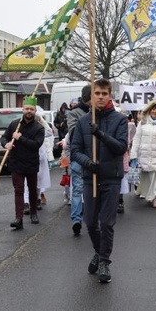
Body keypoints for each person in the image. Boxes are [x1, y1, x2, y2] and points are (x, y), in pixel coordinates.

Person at [71, 79, 128, 283]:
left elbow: (121, 147)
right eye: (97, 93)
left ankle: (104, 260)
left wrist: (101, 134)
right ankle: (98, 251)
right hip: (90, 178)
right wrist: (88, 163)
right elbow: (75, 150)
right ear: (91, 96)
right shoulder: (82, 122)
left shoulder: (120, 120)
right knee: (90, 223)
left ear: (110, 95)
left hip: (111, 178)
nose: (101, 97)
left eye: (104, 93)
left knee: (106, 223)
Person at [1, 96, 45, 229]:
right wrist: (6, 144)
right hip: (16, 163)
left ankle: (33, 213)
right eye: (27, 109)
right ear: (23, 110)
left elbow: (36, 144)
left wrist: (20, 138)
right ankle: (18, 218)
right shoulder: (15, 124)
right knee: (18, 190)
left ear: (35, 110)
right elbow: (4, 137)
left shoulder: (39, 128)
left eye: (31, 109)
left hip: (31, 163)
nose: (29, 111)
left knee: (32, 190)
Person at [64, 84, 92, 236]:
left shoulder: (99, 113)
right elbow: (73, 132)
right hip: (79, 156)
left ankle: (92, 217)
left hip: (94, 157)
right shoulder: (74, 113)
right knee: (78, 189)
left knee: (93, 189)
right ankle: (76, 219)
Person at [117, 110, 136, 214]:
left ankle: (120, 200)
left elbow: (128, 141)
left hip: (122, 156)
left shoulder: (128, 126)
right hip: (111, 157)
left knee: (121, 179)